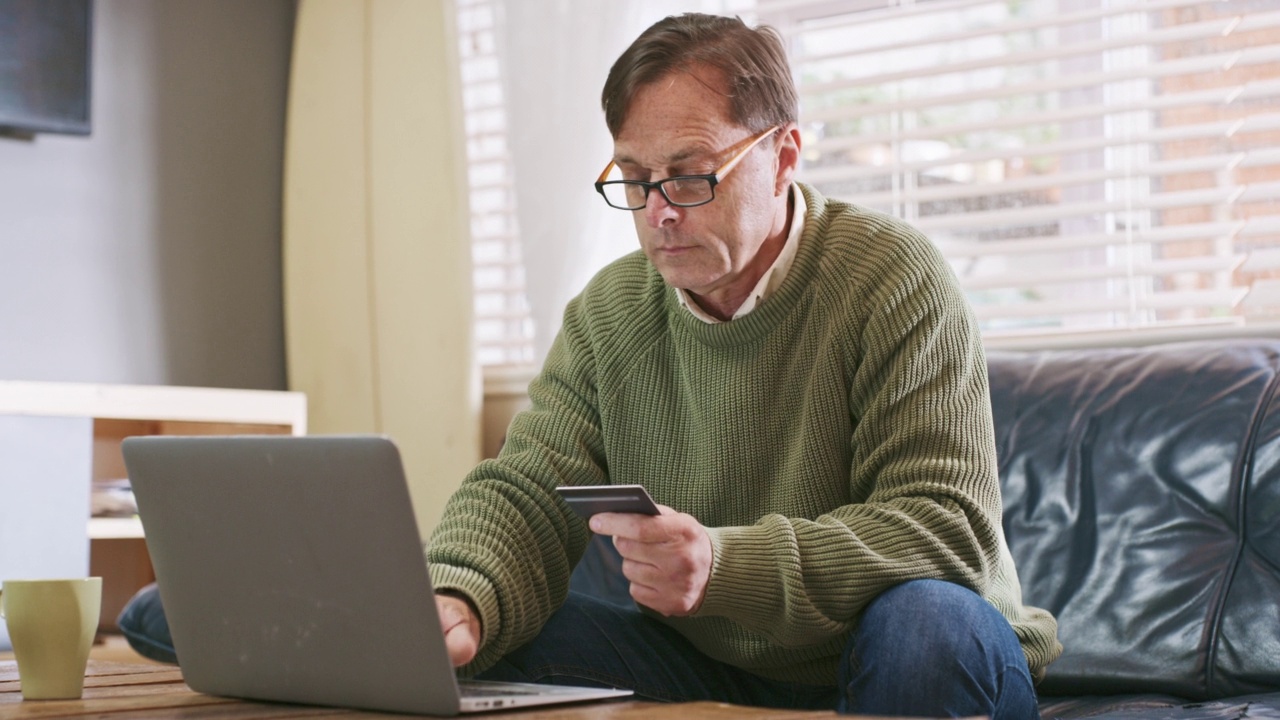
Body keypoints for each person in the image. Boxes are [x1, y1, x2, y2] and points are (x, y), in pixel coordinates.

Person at [427, 12, 1061, 718]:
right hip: (713, 663)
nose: (659, 212)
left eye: (692, 176)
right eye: (636, 179)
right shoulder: (609, 314)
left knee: (925, 627)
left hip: (911, 645)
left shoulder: (893, 278)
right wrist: (460, 596)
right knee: (484, 646)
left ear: (784, 156)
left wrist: (726, 566)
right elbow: (528, 491)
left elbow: (945, 529)